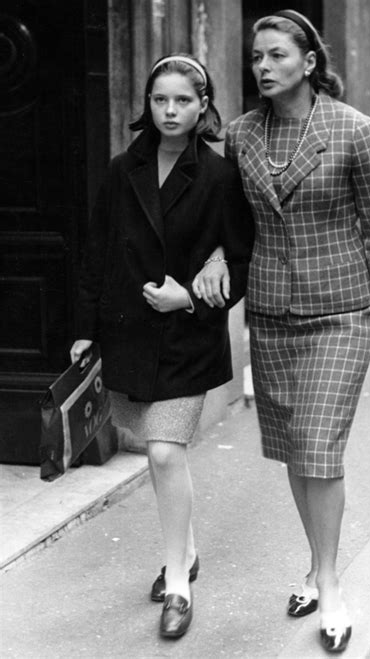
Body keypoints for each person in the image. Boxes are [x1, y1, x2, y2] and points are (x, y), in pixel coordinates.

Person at [192, 10, 370, 654]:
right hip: (270, 312)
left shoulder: (353, 130)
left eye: (275, 55)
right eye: (256, 57)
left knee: (318, 444)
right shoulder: (241, 135)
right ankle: (318, 563)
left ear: (309, 61)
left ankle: (329, 584)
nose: (262, 66)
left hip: (340, 312)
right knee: (298, 450)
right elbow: (230, 222)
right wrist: (216, 256)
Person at [70, 54, 253, 640]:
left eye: (183, 100)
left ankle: (178, 581)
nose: (170, 110)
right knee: (151, 451)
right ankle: (189, 547)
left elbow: (244, 259)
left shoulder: (222, 177)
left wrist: (193, 301)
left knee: (166, 455)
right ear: (147, 104)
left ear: (204, 107)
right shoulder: (123, 168)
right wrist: (84, 327)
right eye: (160, 100)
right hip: (125, 334)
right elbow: (95, 251)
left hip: (187, 341)